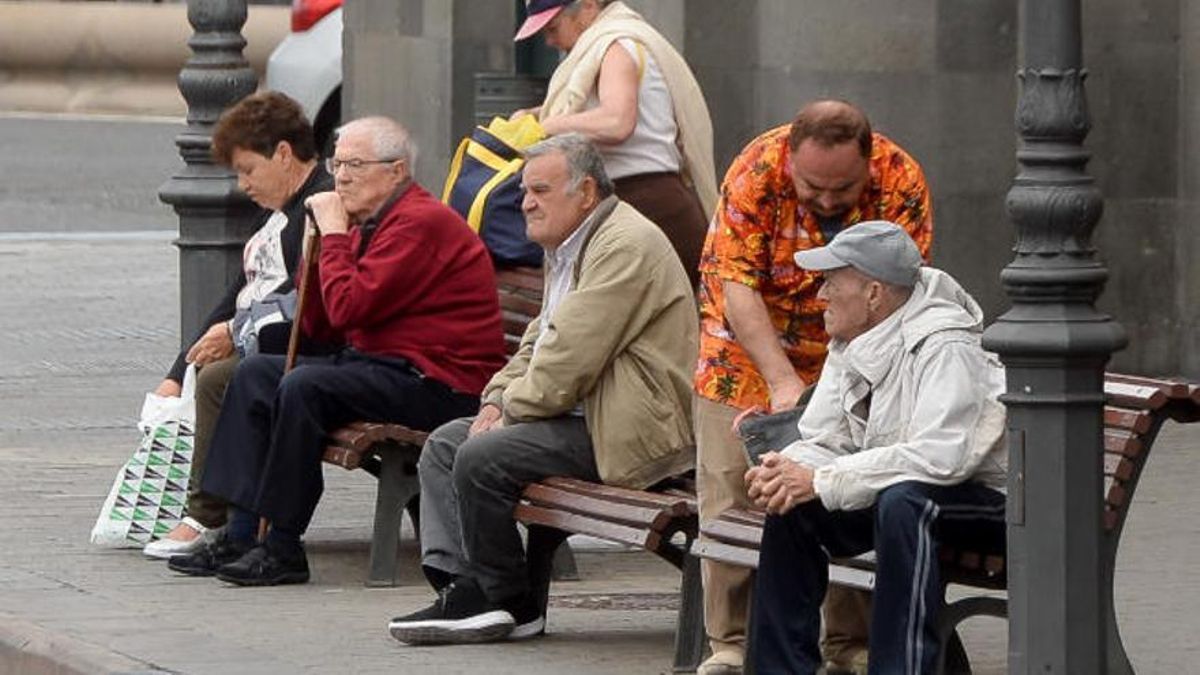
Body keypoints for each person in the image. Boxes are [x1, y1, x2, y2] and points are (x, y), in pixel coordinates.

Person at [165, 116, 508, 586]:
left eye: (356, 165)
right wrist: (317, 248)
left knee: (305, 385)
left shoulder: (419, 222)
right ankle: (241, 531)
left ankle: (283, 544)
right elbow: (320, 322)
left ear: (396, 171)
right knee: (256, 373)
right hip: (383, 365)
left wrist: (334, 235)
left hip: (438, 381)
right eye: (338, 163)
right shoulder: (370, 220)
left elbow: (350, 308)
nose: (341, 176)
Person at [387, 133, 697, 645]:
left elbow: (569, 360)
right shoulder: (571, 243)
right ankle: (466, 589)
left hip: (633, 431)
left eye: (541, 190)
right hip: (583, 416)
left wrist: (508, 411)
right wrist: (494, 398)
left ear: (587, 191)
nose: (526, 202)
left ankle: (506, 599)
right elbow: (537, 344)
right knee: (446, 443)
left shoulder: (623, 244)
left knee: (481, 455)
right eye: (524, 190)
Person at [693, 100, 934, 675]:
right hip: (746, 348)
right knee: (735, 487)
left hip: (855, 344)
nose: (827, 200)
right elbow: (737, 288)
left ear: (869, 163)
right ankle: (732, 644)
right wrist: (782, 387)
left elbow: (900, 290)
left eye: (843, 188)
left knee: (848, 482)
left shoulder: (902, 179)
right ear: (790, 160)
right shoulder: (756, 170)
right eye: (812, 186)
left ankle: (849, 645)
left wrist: (848, 380)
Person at [745, 221, 1007, 674]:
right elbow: (826, 439)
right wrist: (787, 469)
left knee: (906, 503)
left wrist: (821, 479)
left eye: (831, 283)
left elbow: (939, 458)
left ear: (874, 293)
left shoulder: (944, 344)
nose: (820, 295)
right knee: (793, 506)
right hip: (905, 491)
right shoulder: (853, 339)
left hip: (994, 506)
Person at [143, 91, 333, 559]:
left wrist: (233, 336)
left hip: (304, 347)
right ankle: (221, 518)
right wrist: (175, 371)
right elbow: (239, 292)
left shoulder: (315, 210)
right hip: (269, 340)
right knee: (207, 374)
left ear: (284, 154)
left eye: (248, 169)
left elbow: (303, 304)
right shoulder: (279, 212)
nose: (243, 184)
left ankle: (206, 517)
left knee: (219, 380)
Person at [513, 0, 717, 287]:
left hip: (648, 205)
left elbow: (616, 121)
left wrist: (542, 127)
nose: (549, 41)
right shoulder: (608, 44)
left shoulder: (616, 45)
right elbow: (593, 111)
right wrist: (530, 116)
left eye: (553, 27)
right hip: (642, 205)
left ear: (587, 5)